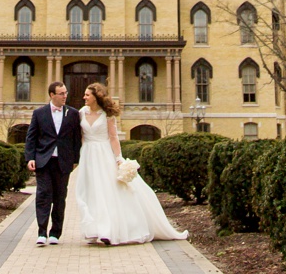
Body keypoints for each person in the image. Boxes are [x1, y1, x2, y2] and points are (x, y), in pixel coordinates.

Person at [74, 82, 189, 245]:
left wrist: (118, 158)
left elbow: (113, 137)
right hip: (88, 155)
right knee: (90, 191)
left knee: (106, 191)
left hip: (104, 154)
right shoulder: (81, 113)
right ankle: (93, 229)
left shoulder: (107, 115)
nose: (84, 97)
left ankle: (108, 230)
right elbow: (81, 137)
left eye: (87, 94)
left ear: (96, 97)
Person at [25, 81, 82, 247]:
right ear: (52, 95)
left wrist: (75, 160)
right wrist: (30, 158)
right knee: (43, 195)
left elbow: (76, 139)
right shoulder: (39, 113)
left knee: (59, 197)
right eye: (61, 93)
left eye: (66, 93)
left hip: (63, 162)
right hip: (44, 160)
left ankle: (55, 232)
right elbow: (31, 137)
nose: (65, 96)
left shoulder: (72, 113)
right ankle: (42, 232)